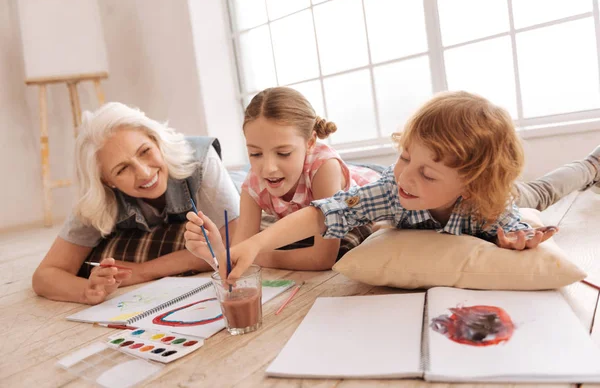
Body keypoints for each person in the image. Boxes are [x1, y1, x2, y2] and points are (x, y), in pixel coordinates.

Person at [206, 91, 599, 284]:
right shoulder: (392, 189)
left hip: (509, 194)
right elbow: (324, 211)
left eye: (428, 174)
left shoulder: (490, 204)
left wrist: (514, 237)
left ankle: (590, 165)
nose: (407, 176)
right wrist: (255, 244)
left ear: (472, 182)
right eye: (405, 157)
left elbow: (514, 228)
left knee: (542, 193)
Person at [31, 102, 240, 304]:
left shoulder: (200, 159)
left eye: (145, 151)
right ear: (106, 181)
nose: (144, 173)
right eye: (122, 169)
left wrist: (141, 271)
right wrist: (87, 291)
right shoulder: (98, 196)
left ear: (155, 139)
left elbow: (232, 245)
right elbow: (46, 275)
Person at [185, 87, 381, 271]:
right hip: (301, 218)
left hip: (364, 185)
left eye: (284, 153)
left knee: (349, 247)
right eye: (255, 154)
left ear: (310, 142)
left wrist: (257, 256)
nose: (269, 169)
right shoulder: (253, 184)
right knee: (281, 242)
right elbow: (237, 257)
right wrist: (218, 250)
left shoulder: (324, 168)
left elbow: (322, 258)